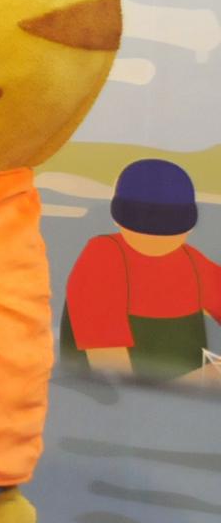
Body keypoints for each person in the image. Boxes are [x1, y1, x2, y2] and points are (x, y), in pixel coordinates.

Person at [62, 158, 221, 383]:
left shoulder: (191, 262)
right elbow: (111, 372)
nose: (156, 238)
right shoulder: (103, 258)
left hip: (184, 398)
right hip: (104, 398)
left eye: (170, 227)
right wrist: (204, 378)